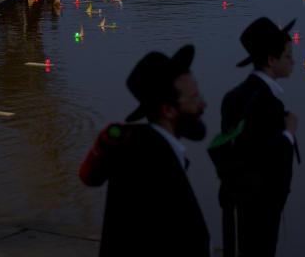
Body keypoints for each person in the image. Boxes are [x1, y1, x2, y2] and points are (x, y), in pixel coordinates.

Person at [79, 45, 210, 257]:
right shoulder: (152, 161)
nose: (203, 104)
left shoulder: (144, 147)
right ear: (168, 110)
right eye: (194, 97)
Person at [218, 17, 300, 257]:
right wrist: (289, 133)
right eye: (287, 56)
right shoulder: (266, 102)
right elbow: (265, 157)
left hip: (234, 203)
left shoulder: (233, 95)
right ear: (271, 60)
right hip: (258, 207)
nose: (293, 62)